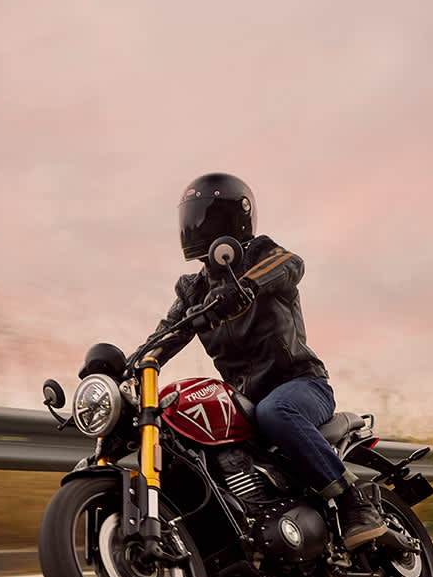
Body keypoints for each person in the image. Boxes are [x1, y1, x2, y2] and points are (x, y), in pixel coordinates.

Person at [140, 172, 388, 548]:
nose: (199, 225)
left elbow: (291, 264)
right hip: (246, 402)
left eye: (210, 215)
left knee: (276, 411)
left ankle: (354, 501)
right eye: (194, 216)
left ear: (236, 218)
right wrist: (130, 364)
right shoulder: (194, 290)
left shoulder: (262, 255)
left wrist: (247, 288)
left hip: (302, 385)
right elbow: (167, 334)